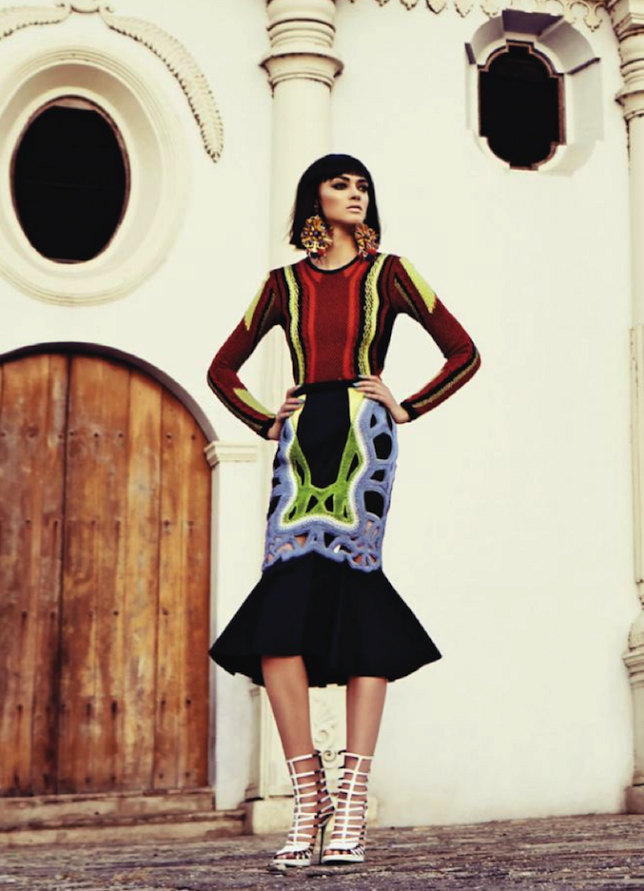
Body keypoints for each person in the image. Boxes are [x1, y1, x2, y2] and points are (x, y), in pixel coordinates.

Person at [206, 153, 483, 871]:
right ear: (314, 198)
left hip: (365, 439)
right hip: (300, 445)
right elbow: (221, 369)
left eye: (363, 186)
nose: (355, 195)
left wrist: (407, 405)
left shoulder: (393, 274)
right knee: (280, 612)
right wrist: (265, 420)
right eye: (340, 184)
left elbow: (463, 353)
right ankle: (310, 797)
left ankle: (352, 801)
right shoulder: (281, 285)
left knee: (358, 599)